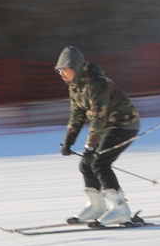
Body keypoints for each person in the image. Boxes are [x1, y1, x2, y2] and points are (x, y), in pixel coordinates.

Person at [57, 45, 141, 226]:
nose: (61, 73)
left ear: (75, 67)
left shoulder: (96, 83)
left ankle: (121, 210)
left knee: (100, 163)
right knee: (86, 165)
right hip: (107, 127)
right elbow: (77, 115)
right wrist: (68, 142)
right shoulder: (75, 86)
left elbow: (98, 117)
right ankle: (97, 206)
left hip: (124, 125)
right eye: (59, 70)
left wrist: (90, 147)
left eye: (64, 69)